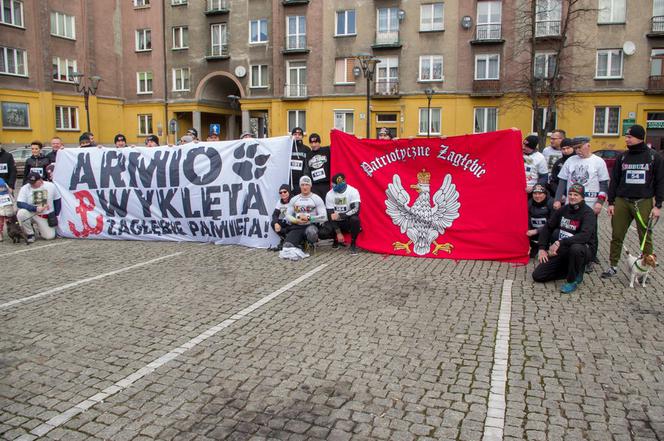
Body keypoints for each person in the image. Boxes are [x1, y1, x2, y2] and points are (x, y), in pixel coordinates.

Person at [602, 124, 664, 278]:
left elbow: (660, 181)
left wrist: (658, 206)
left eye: (630, 136)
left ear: (639, 137)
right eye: (626, 136)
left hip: (643, 201)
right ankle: (613, 265)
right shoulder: (622, 156)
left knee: (645, 235)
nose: (626, 139)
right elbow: (614, 180)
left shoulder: (653, 157)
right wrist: (611, 202)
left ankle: (645, 270)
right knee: (617, 234)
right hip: (622, 200)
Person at [554, 136, 610, 271]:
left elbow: (604, 184)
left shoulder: (598, 161)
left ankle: (590, 258)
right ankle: (568, 255)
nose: (577, 150)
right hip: (571, 203)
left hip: (590, 204)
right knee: (570, 229)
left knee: (590, 233)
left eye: (580, 147)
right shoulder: (570, 161)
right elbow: (562, 181)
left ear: (588, 145)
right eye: (576, 148)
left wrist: (600, 202)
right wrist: (557, 199)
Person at [532, 183, 596, 294]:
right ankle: (571, 269)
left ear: (582, 197)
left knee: (575, 248)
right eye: (570, 194)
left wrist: (560, 242)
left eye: (576, 195)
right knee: (538, 275)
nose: (572, 197)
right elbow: (548, 227)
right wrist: (542, 248)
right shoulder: (564, 209)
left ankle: (572, 280)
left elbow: (584, 236)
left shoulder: (588, 213)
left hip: (582, 250)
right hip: (563, 249)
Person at [16, 171, 62, 242]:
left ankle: (42, 229)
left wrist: (56, 215)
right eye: (31, 183)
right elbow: (19, 203)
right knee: (21, 213)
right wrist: (35, 208)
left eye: (34, 182)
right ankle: (30, 234)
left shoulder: (51, 186)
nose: (32, 184)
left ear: (40, 180)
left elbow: (57, 200)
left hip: (44, 215)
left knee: (49, 236)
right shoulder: (25, 188)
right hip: (31, 213)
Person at [284, 176, 327, 251]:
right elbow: (287, 215)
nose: (305, 187)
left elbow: (324, 217)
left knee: (311, 233)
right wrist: (295, 220)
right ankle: (301, 243)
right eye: (302, 185)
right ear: (300, 186)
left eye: (307, 185)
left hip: (311, 225)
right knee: (287, 246)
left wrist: (309, 218)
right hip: (297, 226)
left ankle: (311, 243)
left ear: (310, 186)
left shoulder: (317, 198)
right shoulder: (294, 199)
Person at [325, 173, 361, 254]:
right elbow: (330, 214)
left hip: (346, 220)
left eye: (335, 185)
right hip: (335, 221)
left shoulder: (353, 191)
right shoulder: (329, 194)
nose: (333, 187)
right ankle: (335, 239)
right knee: (323, 232)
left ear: (342, 183)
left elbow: (356, 209)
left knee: (355, 219)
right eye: (333, 185)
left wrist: (342, 215)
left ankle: (353, 243)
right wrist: (338, 232)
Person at [526, 184, 554, 258]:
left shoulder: (551, 203)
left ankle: (545, 249)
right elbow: (527, 220)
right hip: (533, 233)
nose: (537, 196)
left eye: (540, 193)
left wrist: (537, 230)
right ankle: (533, 247)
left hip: (547, 232)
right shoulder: (529, 203)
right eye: (535, 193)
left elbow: (552, 223)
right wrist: (528, 231)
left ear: (545, 193)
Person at [304, 133, 331, 200]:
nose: (313, 145)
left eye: (316, 142)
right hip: (314, 186)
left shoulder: (327, 150)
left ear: (319, 142)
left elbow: (337, 145)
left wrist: (334, 132)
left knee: (327, 204)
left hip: (326, 184)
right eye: (311, 143)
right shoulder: (308, 155)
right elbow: (306, 170)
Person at [271, 184, 292, 249]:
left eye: (285, 192)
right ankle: (284, 238)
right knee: (273, 223)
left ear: (289, 192)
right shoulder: (280, 202)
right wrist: (276, 223)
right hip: (286, 222)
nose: (283, 193)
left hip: (294, 223)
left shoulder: (294, 200)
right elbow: (275, 214)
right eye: (280, 192)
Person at [289, 127, 308, 195]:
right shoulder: (287, 148)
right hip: (289, 181)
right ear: (292, 136)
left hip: (302, 182)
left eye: (299, 134)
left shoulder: (306, 149)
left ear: (302, 136)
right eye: (295, 134)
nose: (297, 136)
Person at [0, 177, 16, 241]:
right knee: (0, 220)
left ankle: (13, 231)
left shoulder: (2, 180)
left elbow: (9, 192)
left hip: (6, 201)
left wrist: (13, 202)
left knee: (10, 219)